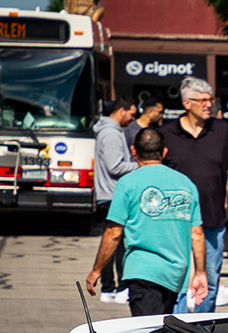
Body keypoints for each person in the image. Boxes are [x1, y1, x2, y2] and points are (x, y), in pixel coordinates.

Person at [85, 128, 206, 317]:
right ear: (164, 152)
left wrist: (96, 270)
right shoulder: (186, 184)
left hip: (142, 271)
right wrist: (200, 273)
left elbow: (114, 232)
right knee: (159, 331)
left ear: (134, 152)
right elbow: (197, 234)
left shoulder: (127, 183)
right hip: (175, 273)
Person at [159, 76, 228, 313]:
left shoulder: (221, 130)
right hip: (175, 222)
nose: (209, 104)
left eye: (211, 99)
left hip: (212, 220)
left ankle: (201, 330)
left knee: (208, 280)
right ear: (187, 103)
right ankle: (175, 330)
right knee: (177, 282)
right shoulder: (167, 133)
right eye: (204, 100)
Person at [94, 98, 139, 304]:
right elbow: (115, 166)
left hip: (108, 195)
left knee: (113, 242)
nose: (133, 118)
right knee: (118, 243)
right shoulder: (111, 133)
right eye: (131, 113)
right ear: (121, 110)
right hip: (113, 195)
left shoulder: (108, 130)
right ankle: (117, 287)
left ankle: (110, 287)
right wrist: (140, 166)